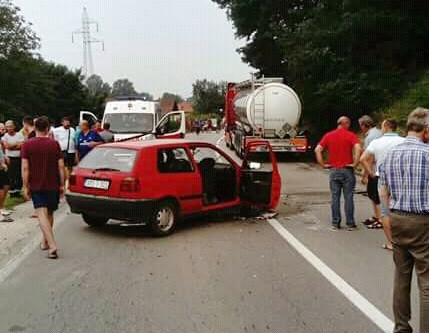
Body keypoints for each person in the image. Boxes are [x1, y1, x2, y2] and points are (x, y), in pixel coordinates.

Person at [379, 108, 429, 333]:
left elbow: (383, 192)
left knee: (401, 275)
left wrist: (389, 215)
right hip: (423, 221)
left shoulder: (391, 153)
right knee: (426, 281)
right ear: (426, 130)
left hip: (397, 218)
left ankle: (401, 327)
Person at [21, 116, 65, 259]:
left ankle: (51, 245)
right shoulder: (55, 144)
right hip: (53, 183)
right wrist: (62, 184)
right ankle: (45, 241)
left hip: (36, 183)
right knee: (50, 213)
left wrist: (25, 185)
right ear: (48, 128)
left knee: (41, 214)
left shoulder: (27, 145)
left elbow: (25, 168)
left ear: (35, 128)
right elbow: (60, 166)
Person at [360, 119, 404, 249]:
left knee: (385, 211)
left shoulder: (377, 142)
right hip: (399, 179)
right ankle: (402, 239)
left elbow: (363, 159)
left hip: (382, 178)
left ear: (385, 127)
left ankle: (391, 242)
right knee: (399, 209)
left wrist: (370, 173)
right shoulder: (403, 141)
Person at [315, 116, 362, 230]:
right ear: (345, 123)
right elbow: (358, 148)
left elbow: (317, 149)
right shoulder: (350, 135)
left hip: (334, 170)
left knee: (335, 197)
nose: (349, 125)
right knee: (349, 197)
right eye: (348, 123)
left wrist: (323, 164)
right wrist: (355, 163)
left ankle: (335, 222)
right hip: (347, 169)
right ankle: (350, 223)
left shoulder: (329, 135)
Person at [358, 115, 383, 226]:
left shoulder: (370, 137)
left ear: (364, 125)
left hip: (373, 169)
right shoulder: (379, 133)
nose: (361, 128)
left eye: (361, 126)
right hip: (381, 167)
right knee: (377, 194)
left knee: (373, 194)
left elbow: (368, 157)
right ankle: (377, 216)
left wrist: (365, 174)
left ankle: (379, 218)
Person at [1, 120, 24, 197]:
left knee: (18, 174)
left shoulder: (19, 135)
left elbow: (21, 146)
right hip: (9, 158)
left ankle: (18, 191)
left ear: (14, 126)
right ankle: (12, 192)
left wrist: (12, 146)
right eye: (7, 127)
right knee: (11, 175)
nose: (9, 128)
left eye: (10, 126)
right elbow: (7, 146)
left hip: (18, 157)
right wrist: (16, 145)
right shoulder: (4, 137)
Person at [0, 146, 13, 222]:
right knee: (1, 189)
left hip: (2, 168)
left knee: (6, 186)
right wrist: (1, 163)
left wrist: (5, 156)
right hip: (1, 166)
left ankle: (1, 208)